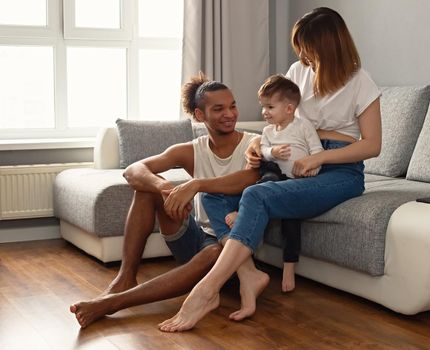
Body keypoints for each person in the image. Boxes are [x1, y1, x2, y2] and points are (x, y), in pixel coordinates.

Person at [157, 6, 382, 332]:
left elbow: (372, 145)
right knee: (213, 194)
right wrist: (258, 146)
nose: (302, 55)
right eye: (300, 48)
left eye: (307, 47)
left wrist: (319, 157)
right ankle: (249, 274)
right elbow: (278, 117)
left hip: (340, 170)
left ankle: (207, 290)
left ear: (328, 45)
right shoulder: (298, 71)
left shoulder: (360, 81)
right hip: (292, 158)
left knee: (257, 195)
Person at [69, 72, 270, 328]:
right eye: (218, 109)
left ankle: (112, 303)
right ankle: (125, 277)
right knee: (146, 190)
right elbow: (133, 171)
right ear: (200, 115)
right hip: (198, 237)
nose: (229, 114)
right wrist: (164, 187)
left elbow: (249, 179)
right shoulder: (191, 150)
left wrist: (196, 184)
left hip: (233, 248)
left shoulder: (254, 144)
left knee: (214, 252)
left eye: (232, 106)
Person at [217, 74, 323, 293]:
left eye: (270, 107)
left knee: (291, 222)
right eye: (263, 106)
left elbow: (317, 152)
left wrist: (313, 167)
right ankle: (241, 210)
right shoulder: (267, 131)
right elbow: (263, 152)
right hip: (273, 176)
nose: (264, 112)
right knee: (268, 175)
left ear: (289, 108)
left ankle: (288, 268)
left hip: (294, 183)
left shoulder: (303, 127)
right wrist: (271, 151)